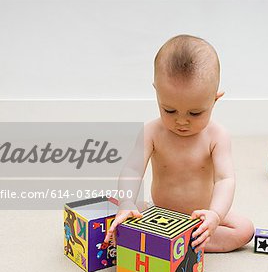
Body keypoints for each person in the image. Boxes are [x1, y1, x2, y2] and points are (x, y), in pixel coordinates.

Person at [104, 34, 254, 252]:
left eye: (195, 113)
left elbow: (225, 179)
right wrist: (126, 204)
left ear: (215, 99)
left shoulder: (217, 135)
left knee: (244, 229)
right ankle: (177, 241)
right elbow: (132, 169)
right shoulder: (151, 132)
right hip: (160, 212)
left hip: (200, 215)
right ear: (157, 92)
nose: (181, 121)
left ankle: (192, 238)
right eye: (169, 110)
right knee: (127, 209)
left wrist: (215, 214)